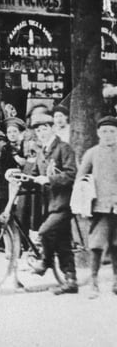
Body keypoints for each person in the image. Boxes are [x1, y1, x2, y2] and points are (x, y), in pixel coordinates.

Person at [29, 113, 78, 295]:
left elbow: (72, 174)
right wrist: (17, 175)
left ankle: (45, 261)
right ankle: (71, 280)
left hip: (64, 203)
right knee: (62, 242)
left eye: (44, 129)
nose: (41, 133)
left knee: (45, 232)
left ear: (52, 128)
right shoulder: (42, 152)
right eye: (38, 130)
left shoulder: (64, 148)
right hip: (49, 205)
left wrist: (49, 179)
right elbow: (34, 175)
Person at [77, 115, 117, 298]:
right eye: (104, 131)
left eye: (112, 131)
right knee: (96, 245)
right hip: (98, 207)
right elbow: (80, 179)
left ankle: (116, 281)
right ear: (98, 133)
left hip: (116, 207)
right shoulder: (92, 153)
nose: (108, 135)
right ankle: (93, 282)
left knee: (116, 244)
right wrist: (84, 202)